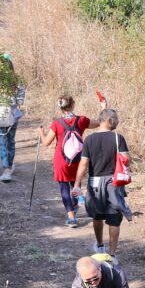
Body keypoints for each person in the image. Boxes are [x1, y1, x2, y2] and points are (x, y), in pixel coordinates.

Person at [72, 108, 133, 258]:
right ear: (108, 121)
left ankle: (100, 245)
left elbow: (84, 164)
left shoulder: (89, 140)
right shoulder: (118, 138)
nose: (116, 122)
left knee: (97, 216)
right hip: (114, 183)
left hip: (95, 184)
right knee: (114, 219)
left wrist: (77, 184)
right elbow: (127, 159)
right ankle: (112, 255)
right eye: (115, 119)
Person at [40, 95, 101, 228]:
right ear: (73, 104)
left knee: (63, 188)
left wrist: (40, 132)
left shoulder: (56, 123)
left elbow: (46, 142)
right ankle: (75, 205)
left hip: (61, 160)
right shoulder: (82, 120)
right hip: (78, 159)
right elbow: (99, 123)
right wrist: (104, 108)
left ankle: (71, 217)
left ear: (60, 107)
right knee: (76, 185)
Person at [0, 56, 26, 182]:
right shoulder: (17, 81)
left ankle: (6, 169)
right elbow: (21, 99)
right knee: (11, 141)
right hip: (12, 114)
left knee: (2, 143)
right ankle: (9, 166)